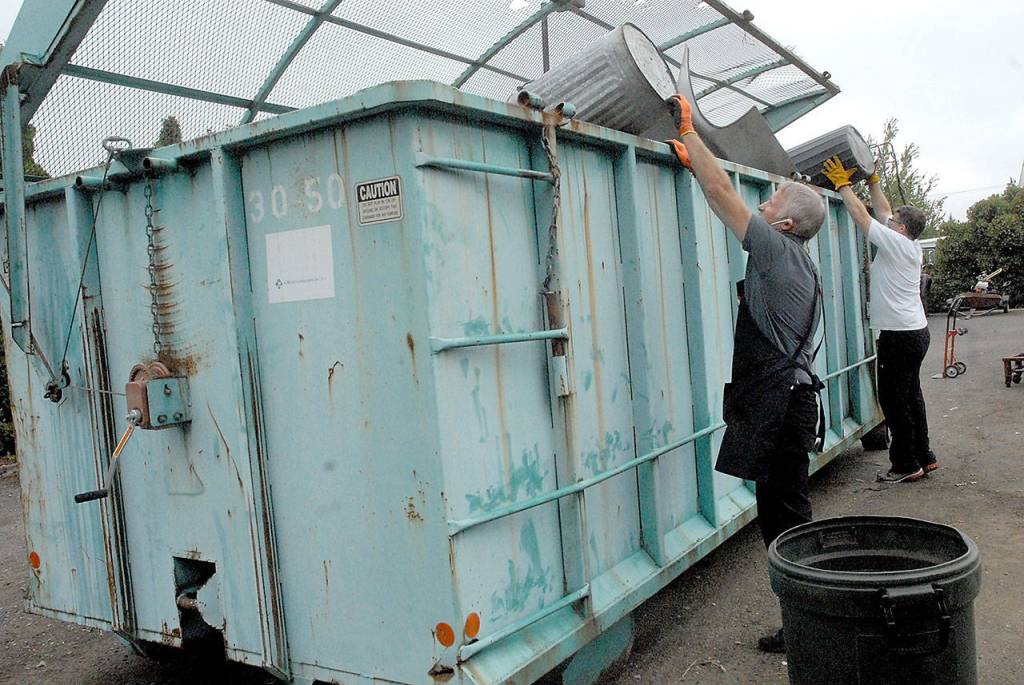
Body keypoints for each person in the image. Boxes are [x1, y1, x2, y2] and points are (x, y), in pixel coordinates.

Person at [665, 95, 825, 654]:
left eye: (771, 198)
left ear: (783, 222)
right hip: (789, 403)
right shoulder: (800, 259)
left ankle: (809, 624)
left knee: (785, 520)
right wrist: (697, 161)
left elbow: (721, 193)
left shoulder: (777, 250)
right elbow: (725, 196)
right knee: (782, 513)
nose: (761, 202)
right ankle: (808, 618)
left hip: (783, 408)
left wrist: (692, 136)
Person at [822, 156, 937, 482]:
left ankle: (905, 465)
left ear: (900, 229)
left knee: (893, 400)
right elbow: (883, 210)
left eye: (893, 220)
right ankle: (923, 455)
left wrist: (843, 185)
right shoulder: (905, 243)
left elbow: (862, 216)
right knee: (911, 394)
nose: (887, 220)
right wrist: (873, 181)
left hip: (900, 336)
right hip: (914, 332)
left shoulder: (895, 243)